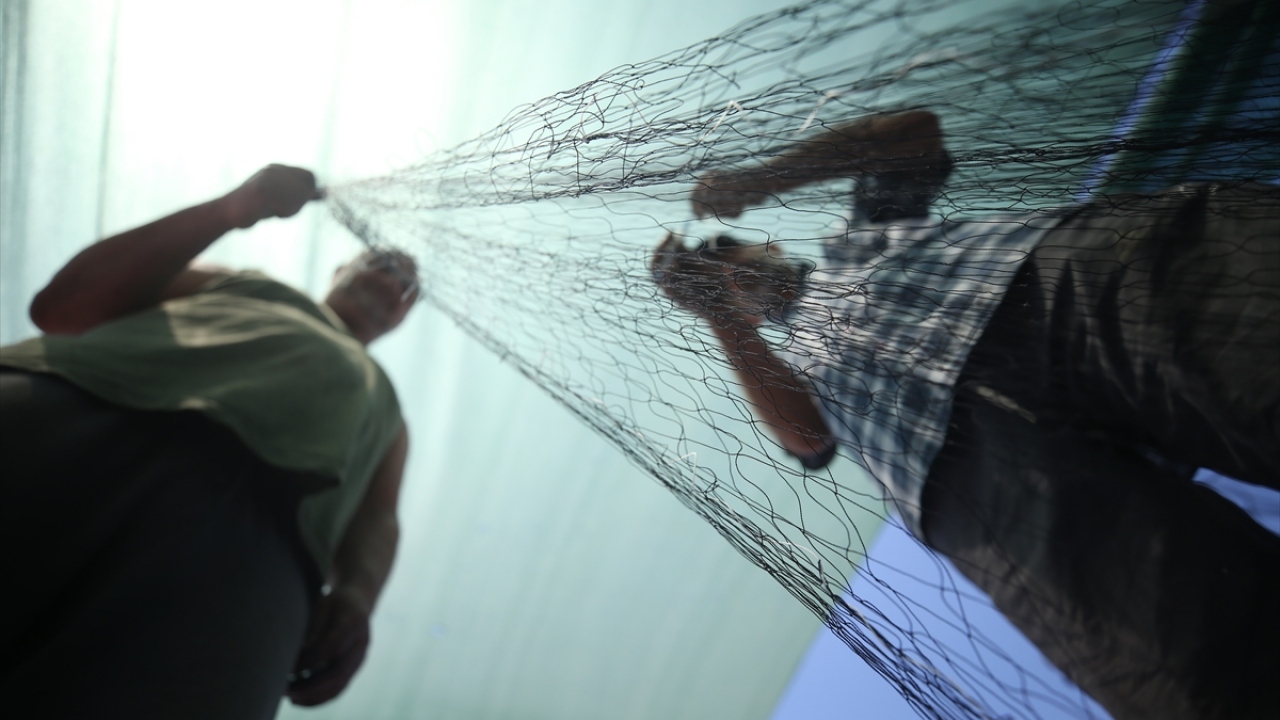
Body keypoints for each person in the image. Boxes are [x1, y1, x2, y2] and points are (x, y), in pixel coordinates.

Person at [653, 110, 1280, 720]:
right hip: (974, 487)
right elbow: (807, 438)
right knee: (1206, 671)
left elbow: (911, 134)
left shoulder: (863, 235)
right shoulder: (789, 374)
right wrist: (718, 312)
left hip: (1051, 284)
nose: (725, 268)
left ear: (765, 242)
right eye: (712, 275)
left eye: (725, 250)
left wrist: (759, 180)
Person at [0, 165, 419, 718]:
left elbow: (379, 518)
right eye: (381, 264)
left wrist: (358, 595)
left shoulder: (389, 414)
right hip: (62, 414)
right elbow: (63, 305)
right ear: (343, 267)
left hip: (255, 558)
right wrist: (235, 207)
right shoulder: (240, 283)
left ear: (403, 318)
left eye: (407, 289)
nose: (390, 283)